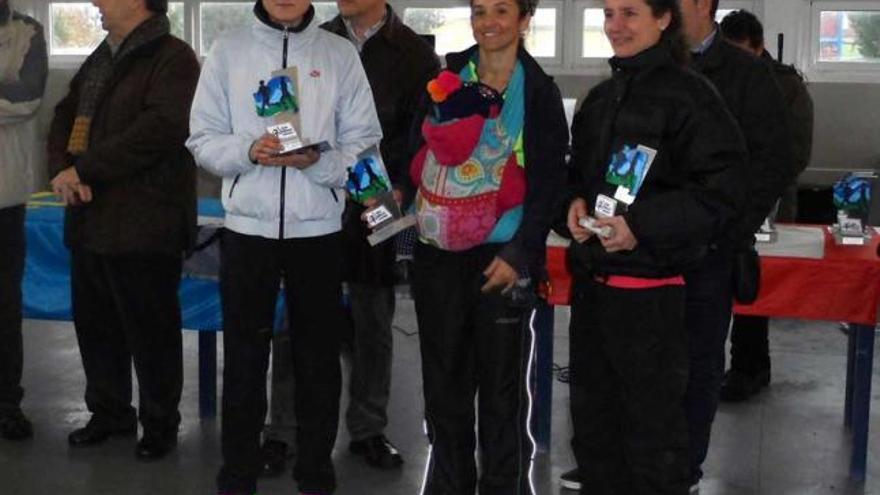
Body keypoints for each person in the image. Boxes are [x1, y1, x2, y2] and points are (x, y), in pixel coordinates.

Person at [185, 0, 382, 492]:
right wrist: (247, 152)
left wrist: (317, 161)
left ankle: (316, 469)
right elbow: (202, 139)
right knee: (246, 359)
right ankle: (237, 471)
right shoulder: (228, 51)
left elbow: (365, 143)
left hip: (317, 232)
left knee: (318, 359)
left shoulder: (339, 54)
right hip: (247, 232)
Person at [562, 0, 745, 493]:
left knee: (654, 446)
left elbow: (722, 193)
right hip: (594, 295)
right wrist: (573, 205)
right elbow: (577, 176)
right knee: (595, 438)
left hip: (655, 302)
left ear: (664, 20)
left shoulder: (691, 98)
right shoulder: (601, 99)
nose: (615, 26)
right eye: (608, 14)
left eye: (630, 13)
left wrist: (639, 226)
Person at [258, 0, 440, 477]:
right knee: (294, 321)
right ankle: (282, 432)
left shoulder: (415, 56)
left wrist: (400, 182)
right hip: (311, 196)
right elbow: (285, 114)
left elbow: (426, 134)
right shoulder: (308, 41)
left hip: (379, 198)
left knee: (372, 319)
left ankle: (368, 429)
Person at [409, 0, 568, 491]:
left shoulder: (538, 92)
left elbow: (549, 185)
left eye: (502, 10)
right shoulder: (446, 76)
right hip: (438, 259)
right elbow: (415, 151)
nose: (489, 22)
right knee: (444, 386)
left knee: (501, 396)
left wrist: (518, 255)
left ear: (525, 19)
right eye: (480, 11)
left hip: (501, 262)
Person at [46, 0, 199, 460]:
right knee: (96, 326)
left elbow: (162, 129)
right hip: (90, 216)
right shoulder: (102, 55)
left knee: (151, 330)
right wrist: (64, 170)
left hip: (145, 220)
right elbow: (62, 117)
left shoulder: (173, 57)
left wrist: (85, 169)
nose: (95, 2)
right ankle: (110, 412)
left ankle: (159, 424)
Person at [678, 1, 793, 491]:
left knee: (701, 362)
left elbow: (775, 158)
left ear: (704, 5)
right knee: (647, 360)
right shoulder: (653, 64)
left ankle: (684, 468)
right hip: (649, 247)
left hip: (711, 251)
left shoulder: (747, 75)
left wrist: (734, 226)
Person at [720, 8, 815, 402]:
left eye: (741, 52)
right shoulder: (716, 79)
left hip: (770, 205)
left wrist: (755, 190)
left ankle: (750, 367)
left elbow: (794, 153)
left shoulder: (786, 86)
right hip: (720, 200)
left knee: (755, 288)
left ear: (758, 48)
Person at [0, 0, 47, 442]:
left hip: (4, 196)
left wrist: (9, 90)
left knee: (3, 305)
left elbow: (26, 97)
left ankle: (6, 403)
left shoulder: (27, 33)